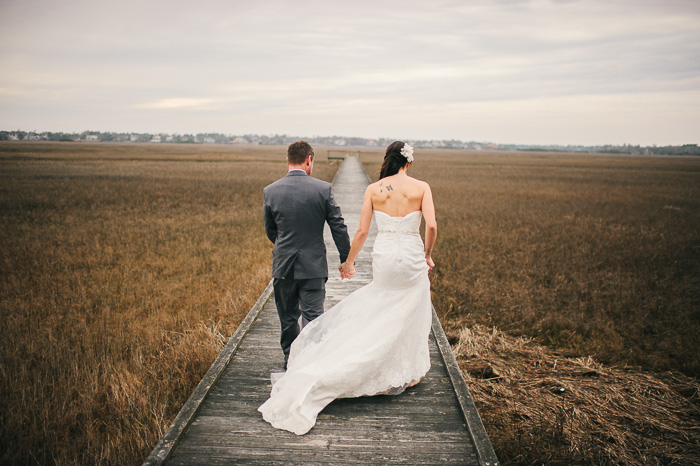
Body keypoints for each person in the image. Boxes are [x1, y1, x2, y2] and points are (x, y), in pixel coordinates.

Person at [259, 141, 437, 435]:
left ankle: (303, 360)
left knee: (378, 304)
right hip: (411, 260)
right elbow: (430, 226)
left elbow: (362, 231)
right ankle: (405, 369)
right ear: (408, 161)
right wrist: (427, 254)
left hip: (381, 260)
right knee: (411, 307)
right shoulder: (421, 187)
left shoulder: (374, 190)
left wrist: (349, 261)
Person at [263, 141, 353, 370]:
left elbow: (271, 230)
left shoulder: (271, 191)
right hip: (313, 267)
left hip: (283, 267)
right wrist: (346, 260)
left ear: (287, 160)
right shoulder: (323, 189)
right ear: (309, 160)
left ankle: (289, 362)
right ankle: (309, 365)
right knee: (313, 321)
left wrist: (285, 247)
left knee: (288, 319)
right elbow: (338, 227)